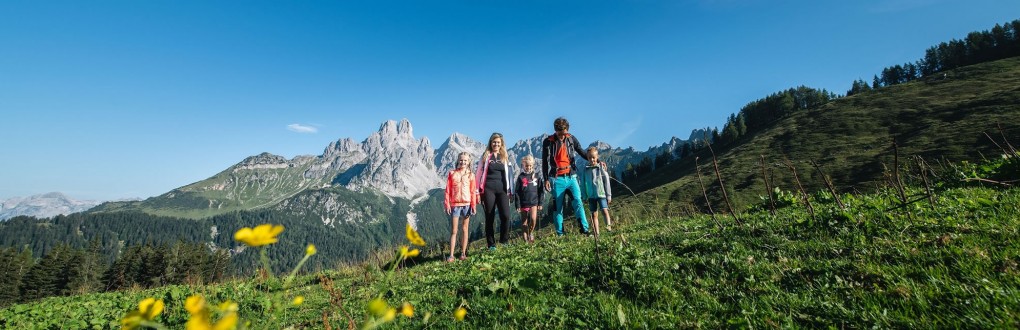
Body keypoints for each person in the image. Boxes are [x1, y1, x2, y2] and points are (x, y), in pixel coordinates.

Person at [541, 117, 592, 236]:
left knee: (578, 202)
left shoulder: (571, 138)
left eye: (564, 132)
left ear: (567, 130)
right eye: (559, 133)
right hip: (556, 178)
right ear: (555, 130)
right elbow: (544, 161)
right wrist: (546, 179)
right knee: (558, 207)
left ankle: (585, 230)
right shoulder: (548, 141)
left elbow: (582, 152)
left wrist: (598, 161)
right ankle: (560, 234)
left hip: (571, 177)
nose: (562, 135)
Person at [476, 132, 514, 250]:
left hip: (502, 190)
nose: (496, 144)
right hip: (488, 190)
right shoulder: (486, 156)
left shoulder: (505, 157)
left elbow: (510, 177)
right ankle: (491, 244)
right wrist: (477, 192)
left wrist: (511, 192)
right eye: (494, 142)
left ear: (501, 143)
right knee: (490, 216)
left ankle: (504, 240)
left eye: (498, 142)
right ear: (491, 143)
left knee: (506, 216)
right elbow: (478, 174)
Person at [444, 152, 478, 262]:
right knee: (454, 230)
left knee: (465, 229)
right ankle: (451, 255)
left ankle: (463, 253)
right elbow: (448, 190)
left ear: (469, 162)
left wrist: (474, 205)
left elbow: (473, 192)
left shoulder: (471, 175)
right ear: (458, 161)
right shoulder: (452, 173)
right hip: (455, 205)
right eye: (461, 160)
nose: (463, 162)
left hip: (467, 204)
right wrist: (447, 204)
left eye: (465, 160)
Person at [579, 147, 613, 237]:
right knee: (594, 214)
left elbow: (607, 180)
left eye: (593, 157)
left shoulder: (600, 167)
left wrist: (608, 195)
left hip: (601, 194)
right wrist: (584, 196)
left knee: (605, 211)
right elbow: (582, 184)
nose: (592, 159)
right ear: (587, 158)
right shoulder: (585, 170)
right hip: (591, 196)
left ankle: (609, 228)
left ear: (597, 157)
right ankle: (596, 233)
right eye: (590, 158)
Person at [514, 155, 544, 243]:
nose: (528, 167)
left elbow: (541, 191)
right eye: (527, 166)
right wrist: (517, 204)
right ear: (523, 165)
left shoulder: (537, 177)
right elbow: (517, 192)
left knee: (533, 219)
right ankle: (526, 241)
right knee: (524, 223)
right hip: (523, 203)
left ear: (533, 165)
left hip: (534, 202)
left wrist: (540, 203)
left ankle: (530, 233)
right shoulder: (520, 177)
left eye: (530, 165)